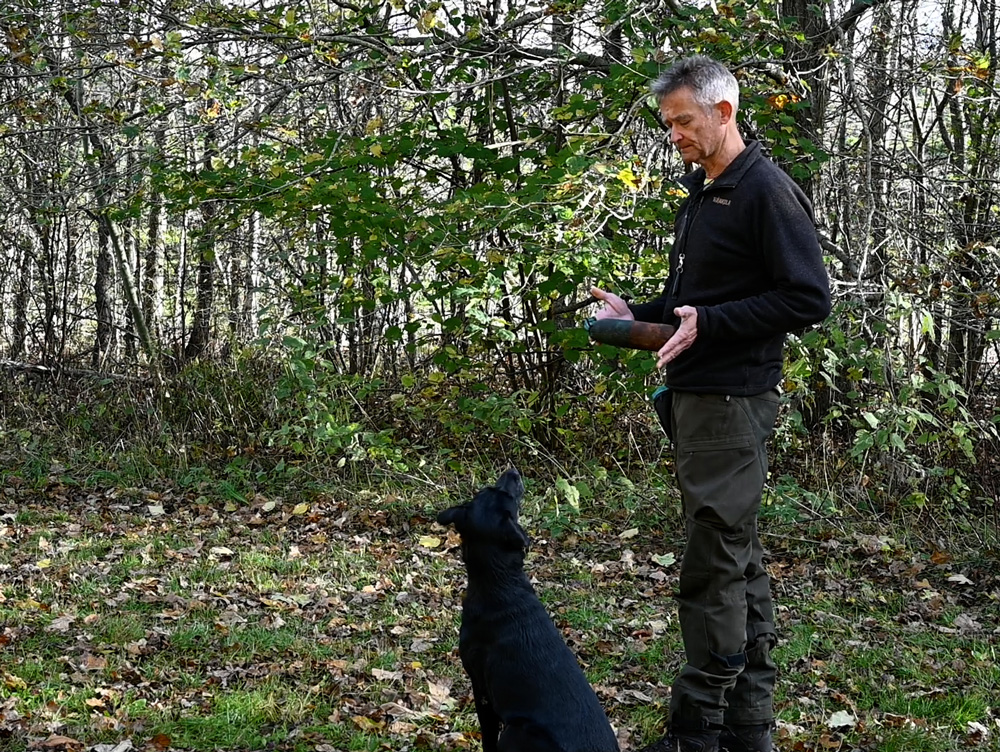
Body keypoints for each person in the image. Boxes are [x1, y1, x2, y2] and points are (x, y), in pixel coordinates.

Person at [591, 56, 831, 752]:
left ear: (723, 113)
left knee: (712, 565)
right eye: (668, 125)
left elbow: (808, 297)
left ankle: (696, 732)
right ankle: (749, 730)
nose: (675, 136)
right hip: (698, 402)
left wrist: (713, 326)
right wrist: (636, 312)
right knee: (737, 559)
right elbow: (701, 305)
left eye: (684, 122)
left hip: (732, 402)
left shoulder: (765, 192)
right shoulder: (706, 192)